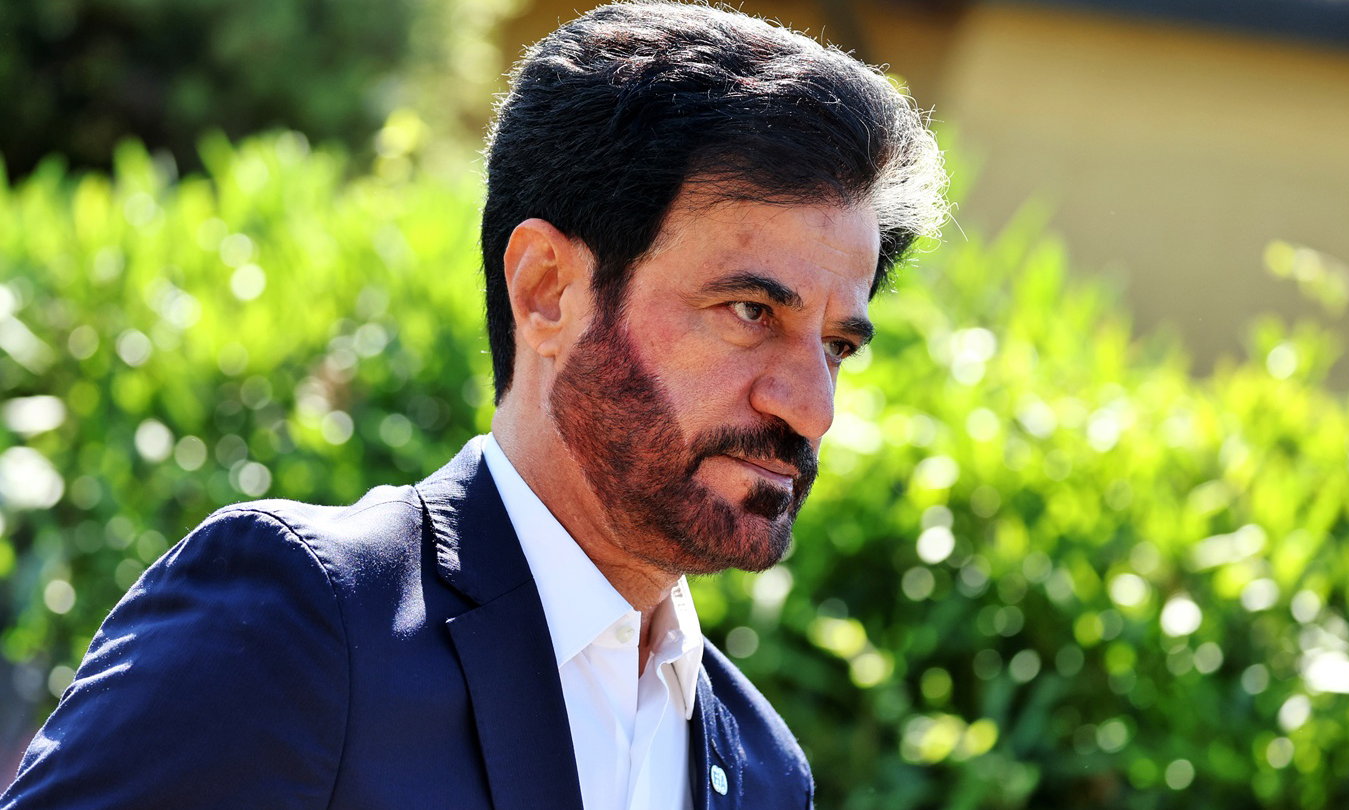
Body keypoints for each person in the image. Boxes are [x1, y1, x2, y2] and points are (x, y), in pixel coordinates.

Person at [1, 2, 945, 808]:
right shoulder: (304, 622)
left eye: (837, 346)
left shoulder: (763, 767)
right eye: (750, 311)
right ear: (547, 290)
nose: (812, 409)